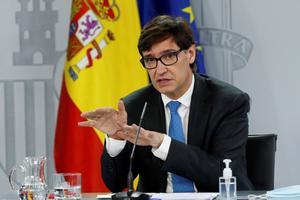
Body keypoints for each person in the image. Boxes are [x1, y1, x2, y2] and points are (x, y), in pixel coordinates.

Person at [78, 15, 254, 193]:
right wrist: (116, 138)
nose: (159, 70)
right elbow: (116, 183)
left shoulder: (228, 102)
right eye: (150, 60)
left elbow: (224, 173)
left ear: (190, 54)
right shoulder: (136, 105)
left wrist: (162, 143)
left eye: (168, 56)